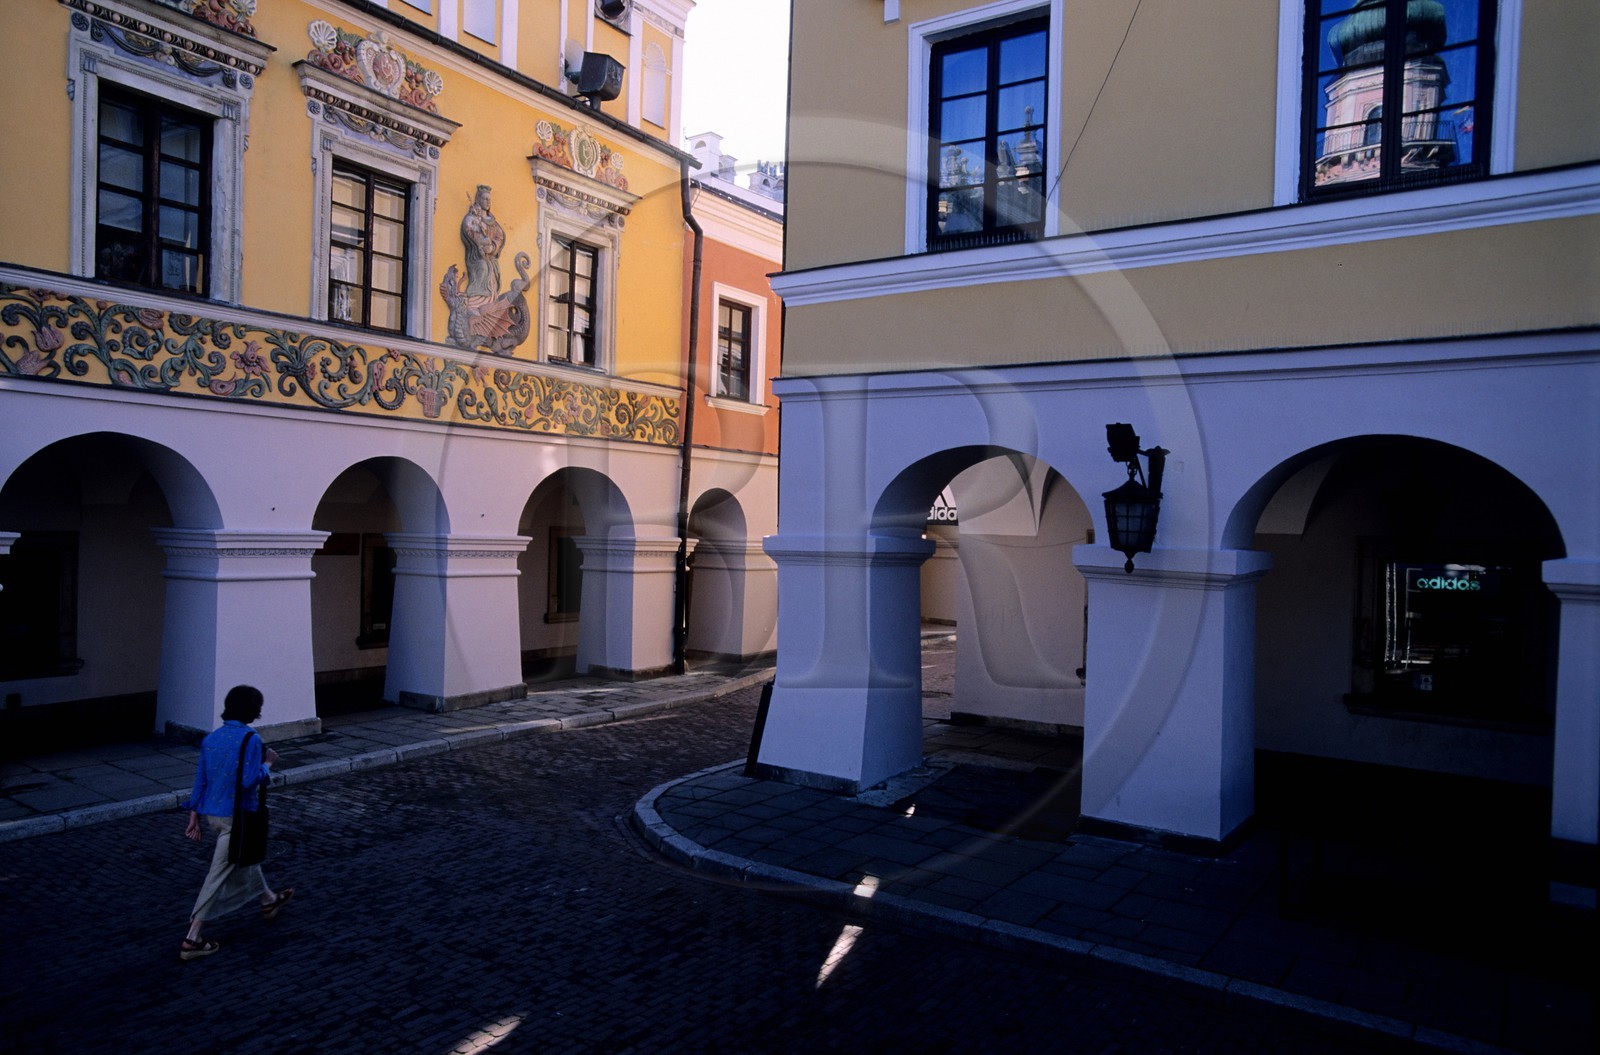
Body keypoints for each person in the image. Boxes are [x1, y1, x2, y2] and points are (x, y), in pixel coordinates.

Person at [179, 684, 294, 961]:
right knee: (218, 875)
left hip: (214, 817)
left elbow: (201, 779)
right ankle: (192, 939)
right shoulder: (251, 739)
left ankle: (268, 900)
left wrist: (193, 812)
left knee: (243, 860)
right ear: (251, 710)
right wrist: (268, 764)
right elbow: (248, 781)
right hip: (237, 818)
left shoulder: (212, 739)